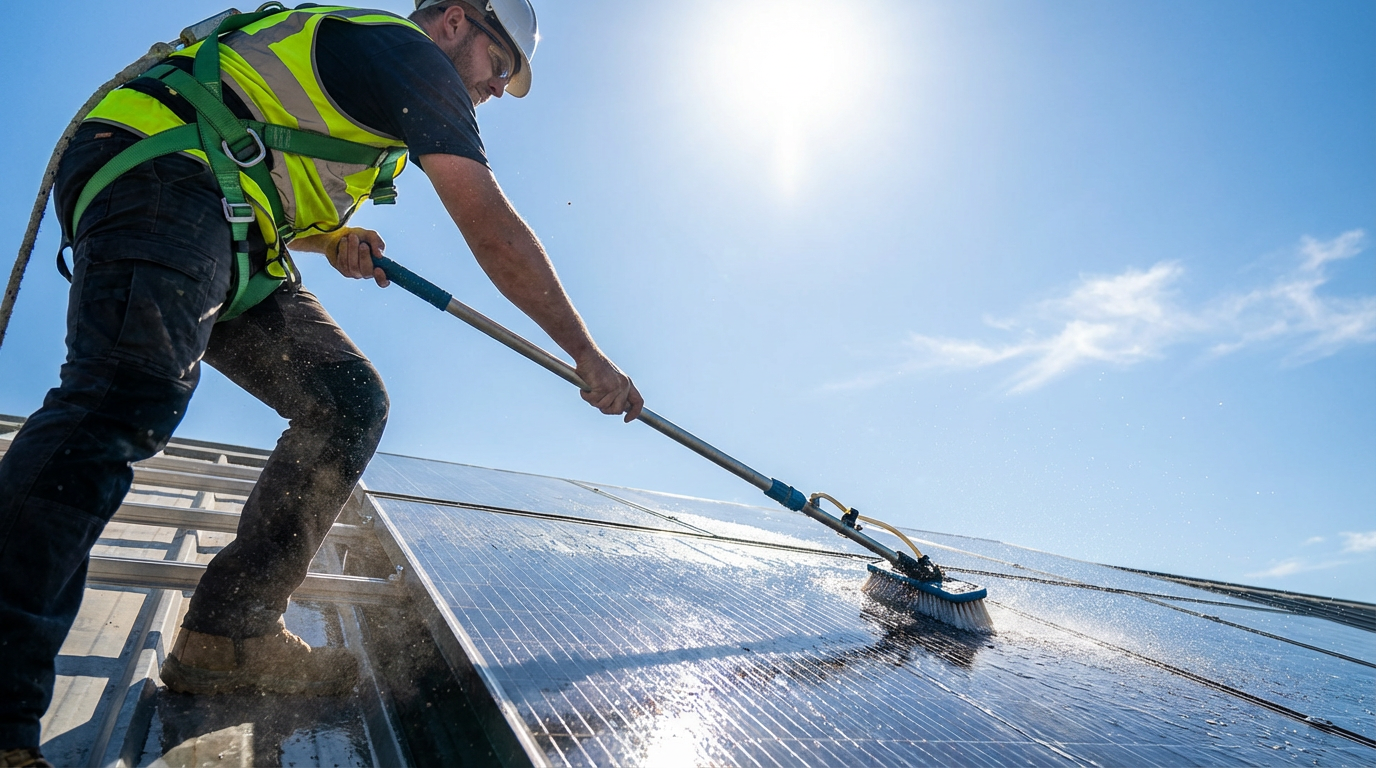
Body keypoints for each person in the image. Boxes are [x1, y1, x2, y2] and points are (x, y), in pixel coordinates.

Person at [0, 1, 644, 763]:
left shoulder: (381, 98)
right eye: (499, 67)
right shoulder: (412, 58)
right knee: (124, 393)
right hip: (162, 171)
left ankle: (228, 633)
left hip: (234, 225)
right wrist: (586, 356)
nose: (497, 89)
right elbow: (490, 224)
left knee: (347, 402)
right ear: (455, 24)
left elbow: (262, 156)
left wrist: (331, 235)